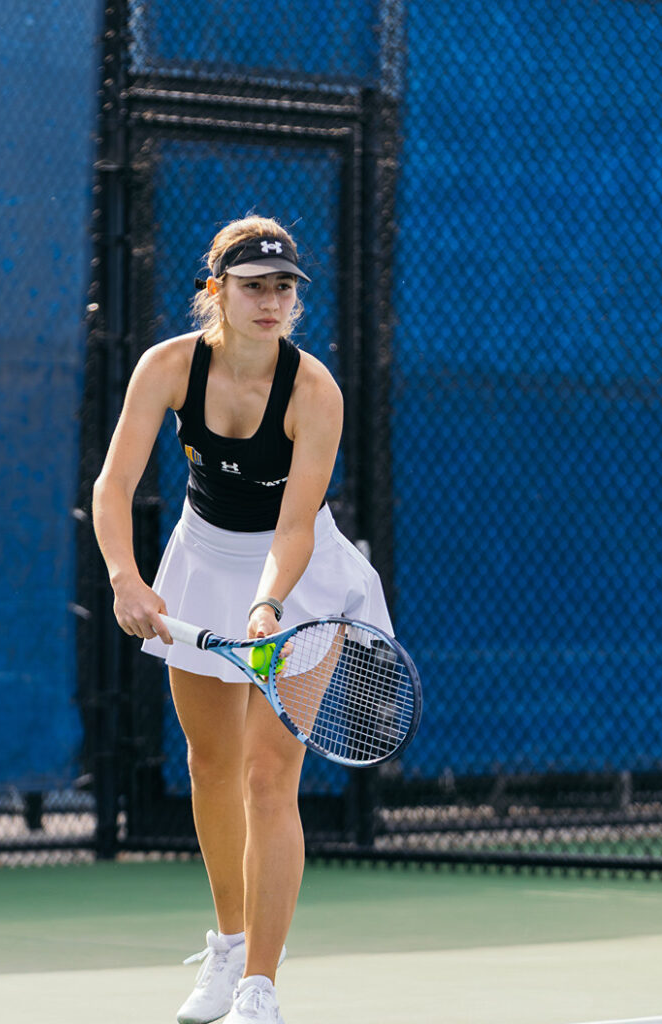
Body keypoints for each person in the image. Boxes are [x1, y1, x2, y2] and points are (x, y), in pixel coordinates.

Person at [91, 216, 393, 1024]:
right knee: (209, 766)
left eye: (284, 287)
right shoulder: (168, 367)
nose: (271, 301)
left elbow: (295, 527)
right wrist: (125, 577)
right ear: (216, 290)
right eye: (254, 286)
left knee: (268, 777)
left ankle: (260, 986)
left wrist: (268, 605)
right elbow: (112, 487)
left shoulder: (314, 391)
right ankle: (226, 950)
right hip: (201, 563)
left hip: (303, 581)